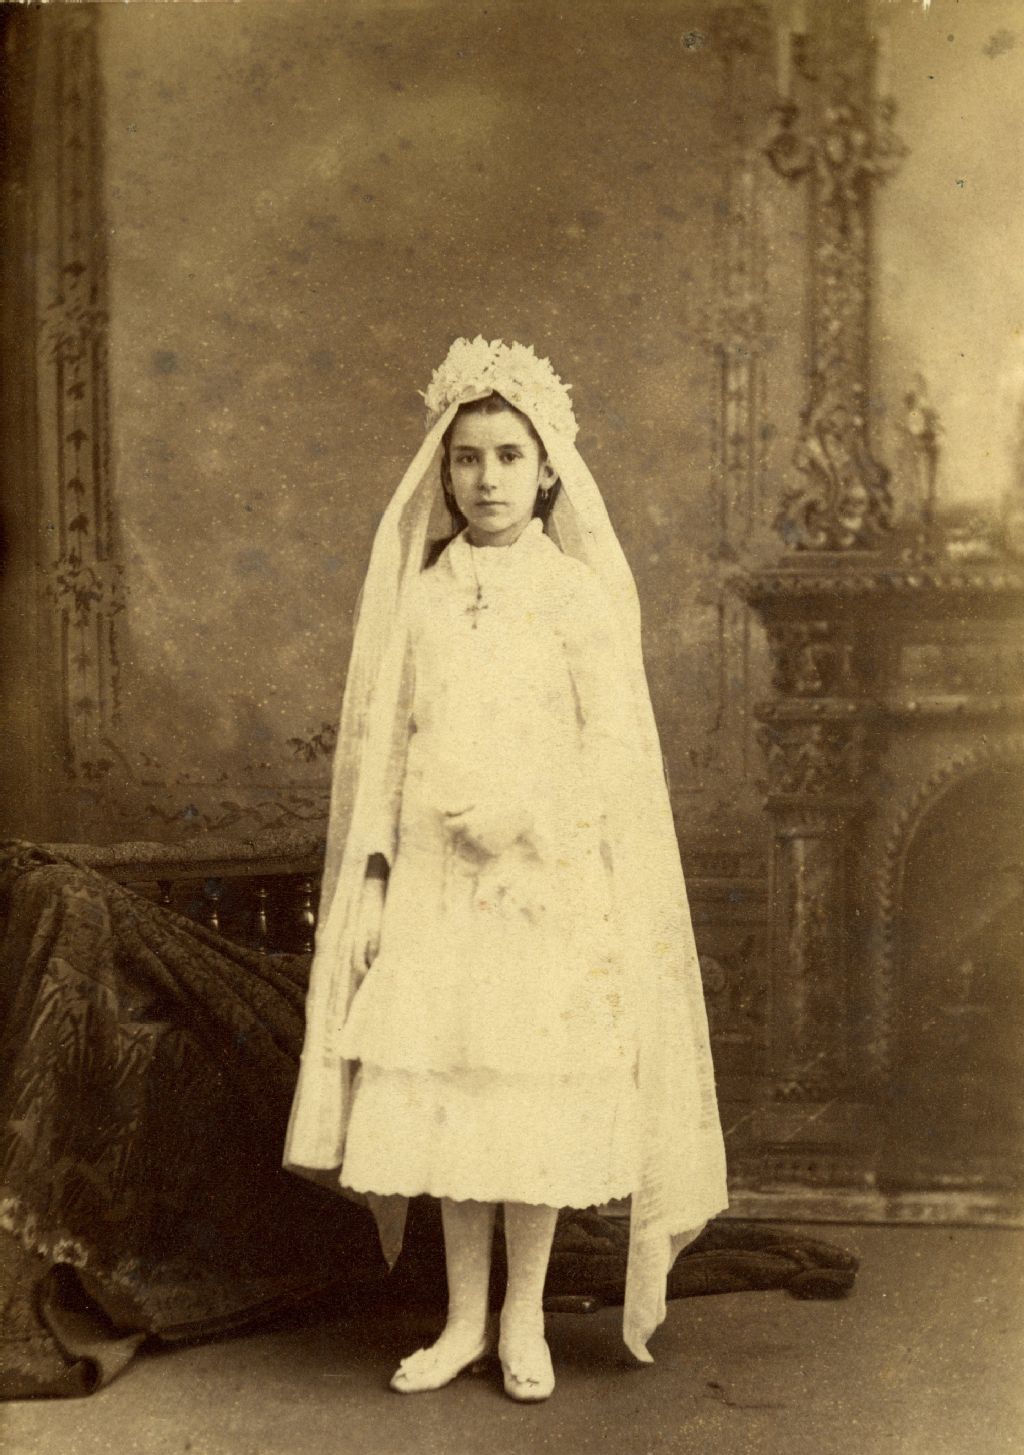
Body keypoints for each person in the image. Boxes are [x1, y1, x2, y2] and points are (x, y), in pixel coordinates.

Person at [283, 338, 727, 1402]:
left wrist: (524, 814)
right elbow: (387, 754)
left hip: (541, 886)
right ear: (443, 471)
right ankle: (461, 1321)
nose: (486, 479)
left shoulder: (575, 596)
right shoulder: (423, 598)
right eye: (468, 458)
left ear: (548, 469)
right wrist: (377, 881)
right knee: (449, 1100)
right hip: (436, 890)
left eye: (509, 456)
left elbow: (614, 753)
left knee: (525, 1100)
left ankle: (524, 1319)